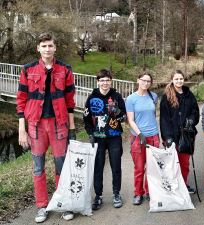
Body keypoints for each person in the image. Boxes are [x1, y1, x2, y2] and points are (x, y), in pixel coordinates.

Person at [16, 33, 76, 223]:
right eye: (44, 46)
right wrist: (21, 129)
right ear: (38, 48)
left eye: (50, 45)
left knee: (61, 167)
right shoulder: (28, 70)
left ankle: (62, 203)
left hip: (59, 125)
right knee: (38, 167)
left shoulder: (65, 70)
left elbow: (70, 101)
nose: (47, 49)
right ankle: (42, 206)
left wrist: (72, 129)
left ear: (55, 48)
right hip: (36, 125)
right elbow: (21, 100)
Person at [83, 69, 126, 210]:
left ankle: (116, 194)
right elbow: (86, 118)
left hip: (114, 137)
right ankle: (99, 196)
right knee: (98, 167)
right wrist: (90, 134)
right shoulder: (91, 98)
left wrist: (117, 112)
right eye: (102, 80)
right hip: (98, 138)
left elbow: (124, 117)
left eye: (107, 80)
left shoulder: (117, 96)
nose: (105, 83)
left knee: (116, 166)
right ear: (98, 82)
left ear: (111, 81)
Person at [159, 70, 199, 194]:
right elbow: (164, 119)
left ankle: (184, 183)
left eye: (181, 78)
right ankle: (173, 185)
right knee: (172, 163)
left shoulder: (189, 94)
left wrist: (191, 120)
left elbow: (195, 111)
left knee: (184, 162)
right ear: (172, 80)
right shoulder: (167, 96)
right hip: (172, 135)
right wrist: (167, 137)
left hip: (186, 135)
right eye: (176, 79)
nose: (179, 81)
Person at [125, 72, 160, 205]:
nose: (146, 83)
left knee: (152, 167)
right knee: (139, 168)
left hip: (154, 136)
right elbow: (130, 120)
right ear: (138, 80)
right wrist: (140, 134)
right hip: (138, 137)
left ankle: (150, 191)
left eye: (148, 81)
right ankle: (138, 193)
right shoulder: (131, 99)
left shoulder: (154, 96)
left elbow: (151, 115)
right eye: (143, 80)